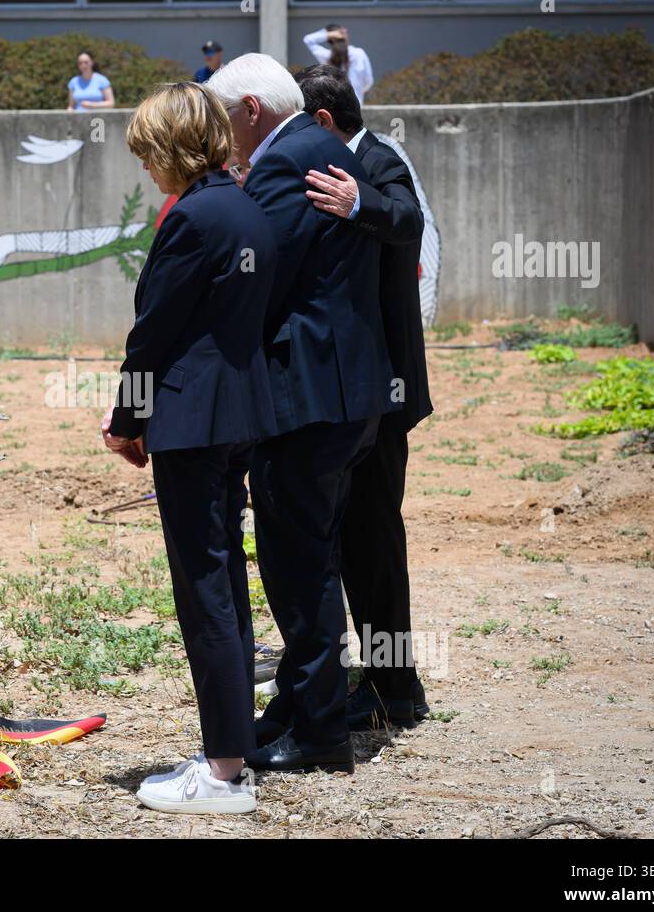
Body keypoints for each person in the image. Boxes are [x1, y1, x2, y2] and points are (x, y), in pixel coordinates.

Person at [206, 53, 395, 775]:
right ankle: (297, 701)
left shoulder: (284, 162)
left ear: (250, 109)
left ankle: (319, 732)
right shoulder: (320, 148)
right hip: (347, 398)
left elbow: (258, 265)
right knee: (308, 558)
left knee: (299, 566)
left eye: (223, 121)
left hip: (309, 403)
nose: (221, 138)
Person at [102, 81, 278, 814]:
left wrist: (126, 420)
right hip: (239, 415)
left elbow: (154, 334)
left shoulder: (191, 219)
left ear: (173, 148)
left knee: (204, 591)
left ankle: (223, 770)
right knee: (226, 585)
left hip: (192, 422)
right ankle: (231, 751)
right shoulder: (246, 206)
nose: (146, 169)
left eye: (149, 154)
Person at [296, 65, 433, 730]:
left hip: (384, 398)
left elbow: (408, 220)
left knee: (375, 545)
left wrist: (360, 203)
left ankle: (395, 692)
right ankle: (380, 679)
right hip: (349, 398)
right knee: (353, 542)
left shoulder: (377, 162)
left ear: (323, 123)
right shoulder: (323, 171)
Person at [302, 24, 374, 104]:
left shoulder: (326, 56)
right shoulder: (359, 54)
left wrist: (329, 34)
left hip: (335, 107)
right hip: (357, 106)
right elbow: (368, 82)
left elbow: (308, 40)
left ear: (330, 40)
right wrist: (358, 91)